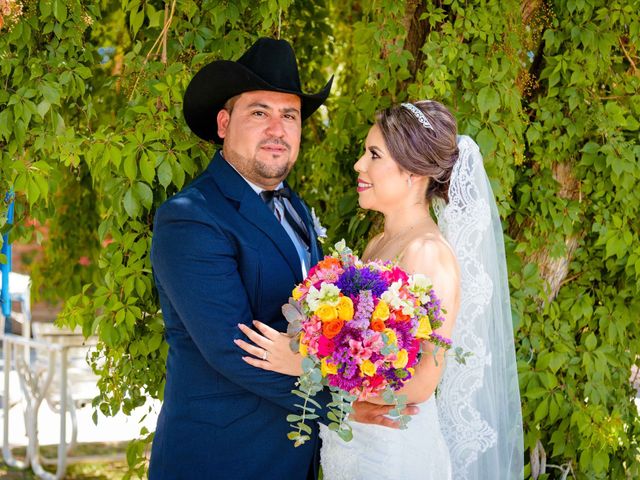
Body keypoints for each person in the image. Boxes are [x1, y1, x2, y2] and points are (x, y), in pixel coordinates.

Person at [148, 37, 414, 480]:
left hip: (295, 459)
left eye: (289, 115)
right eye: (259, 112)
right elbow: (235, 351)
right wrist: (346, 403)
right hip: (220, 460)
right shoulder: (191, 219)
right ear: (223, 122)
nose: (278, 129)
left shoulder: (296, 208)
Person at [237, 100, 524, 479]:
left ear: (413, 173)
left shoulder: (428, 254)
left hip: (394, 453)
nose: (359, 164)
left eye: (374, 155)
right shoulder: (376, 244)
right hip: (351, 442)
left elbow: (421, 383)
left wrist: (306, 368)